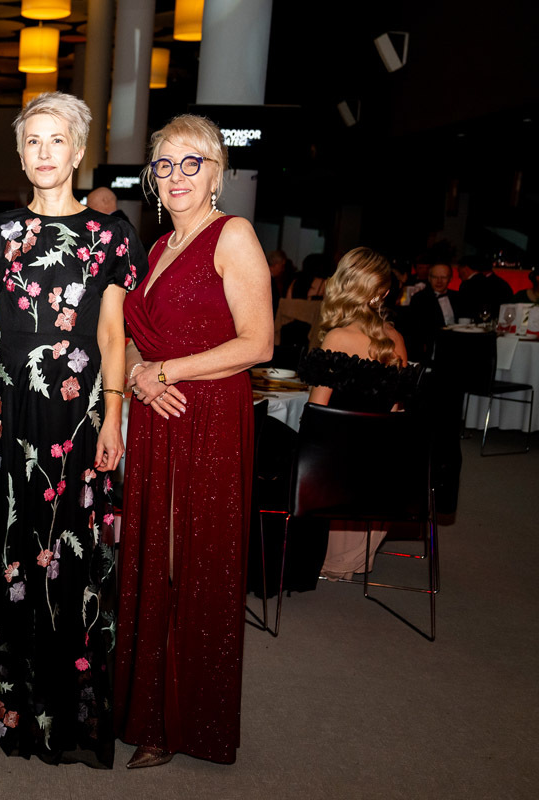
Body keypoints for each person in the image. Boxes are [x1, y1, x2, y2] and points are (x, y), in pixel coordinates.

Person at [0, 92, 138, 770]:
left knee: (70, 552)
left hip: (77, 415)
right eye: (32, 140)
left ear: (79, 151)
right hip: (8, 411)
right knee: (9, 549)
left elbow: (113, 335)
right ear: (19, 152)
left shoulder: (111, 235)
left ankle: (64, 706)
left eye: (56, 139)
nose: (43, 152)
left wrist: (114, 415)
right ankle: (11, 701)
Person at [115, 114, 273, 768]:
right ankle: (150, 706)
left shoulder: (232, 234)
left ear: (216, 174)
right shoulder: (158, 248)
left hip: (207, 417)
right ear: (152, 178)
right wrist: (138, 374)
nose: (176, 175)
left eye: (192, 162)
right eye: (164, 164)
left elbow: (259, 343)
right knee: (156, 557)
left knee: (189, 562)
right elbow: (136, 337)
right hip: (159, 411)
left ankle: (183, 719)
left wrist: (165, 372)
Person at [299, 247, 420, 579]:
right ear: (383, 292)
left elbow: (316, 413)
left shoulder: (338, 337)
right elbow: (396, 410)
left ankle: (312, 551)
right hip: (381, 465)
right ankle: (353, 553)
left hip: (337, 465)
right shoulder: (396, 339)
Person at [404, 262, 462, 360]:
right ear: (429, 278)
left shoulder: (458, 297)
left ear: (450, 278)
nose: (439, 281)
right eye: (435, 277)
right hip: (432, 351)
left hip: (457, 348)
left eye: (443, 277)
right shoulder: (419, 299)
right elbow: (415, 331)